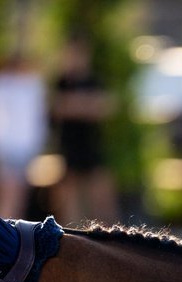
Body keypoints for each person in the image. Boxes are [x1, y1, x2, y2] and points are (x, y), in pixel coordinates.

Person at [49, 36, 119, 224]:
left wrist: (74, 105)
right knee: (70, 195)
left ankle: (108, 235)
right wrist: (85, 105)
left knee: (101, 194)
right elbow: (57, 107)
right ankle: (74, 234)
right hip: (69, 145)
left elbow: (106, 107)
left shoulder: (93, 80)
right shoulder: (62, 81)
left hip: (91, 144)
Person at [0, 55, 48, 219]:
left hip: (24, 150)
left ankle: (8, 234)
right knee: (6, 193)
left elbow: (38, 119)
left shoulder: (33, 85)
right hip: (3, 149)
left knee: (18, 196)